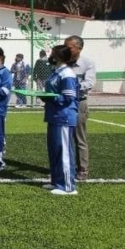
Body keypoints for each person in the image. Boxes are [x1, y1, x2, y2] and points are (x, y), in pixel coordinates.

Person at [41, 45, 80, 195]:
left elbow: (68, 97)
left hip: (63, 116)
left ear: (58, 55)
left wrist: (50, 98)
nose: (50, 55)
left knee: (63, 151)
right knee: (54, 150)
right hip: (54, 115)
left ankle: (68, 187)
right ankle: (57, 181)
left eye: (53, 53)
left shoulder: (67, 73)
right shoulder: (56, 71)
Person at [65, 35, 96, 181]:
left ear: (79, 48)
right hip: (63, 103)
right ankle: (65, 168)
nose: (66, 49)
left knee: (79, 137)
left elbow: (90, 82)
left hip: (78, 102)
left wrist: (73, 86)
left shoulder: (87, 62)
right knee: (64, 137)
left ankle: (82, 169)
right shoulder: (62, 61)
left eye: (69, 47)